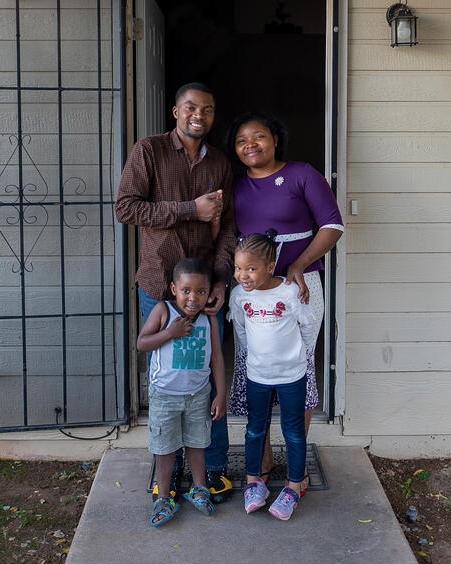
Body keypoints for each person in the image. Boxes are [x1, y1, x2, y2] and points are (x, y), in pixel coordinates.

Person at [114, 82, 237, 502]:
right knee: (166, 377)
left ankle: (214, 468)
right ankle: (166, 464)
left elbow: (230, 228)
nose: (198, 115)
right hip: (158, 283)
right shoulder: (149, 150)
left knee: (206, 371)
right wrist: (190, 209)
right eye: (190, 108)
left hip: (203, 291)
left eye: (207, 109)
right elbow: (125, 207)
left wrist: (221, 279)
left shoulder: (219, 162)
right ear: (175, 111)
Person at [225, 113, 344, 476]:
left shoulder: (301, 174)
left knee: (298, 365)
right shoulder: (234, 186)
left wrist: (300, 264)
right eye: (242, 140)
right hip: (251, 291)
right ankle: (260, 459)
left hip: (301, 286)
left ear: (275, 139)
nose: (250, 144)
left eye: (258, 136)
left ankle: (295, 458)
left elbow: (332, 225)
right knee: (253, 363)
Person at [230, 233, 319, 521]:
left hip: (292, 375)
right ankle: (254, 482)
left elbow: (307, 325)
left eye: (251, 269)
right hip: (258, 375)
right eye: (238, 268)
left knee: (293, 431)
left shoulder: (289, 292)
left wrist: (297, 357)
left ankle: (294, 487)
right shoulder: (239, 296)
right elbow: (242, 332)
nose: (243, 275)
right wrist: (257, 358)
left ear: (271, 266)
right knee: (256, 429)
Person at [136, 257, 227, 526]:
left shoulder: (208, 319)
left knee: (197, 443)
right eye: (186, 290)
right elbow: (142, 343)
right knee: (165, 449)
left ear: (209, 293)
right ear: (174, 289)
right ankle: (163, 496)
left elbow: (217, 358)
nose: (193, 298)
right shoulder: (164, 311)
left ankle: (199, 488)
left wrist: (220, 394)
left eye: (201, 292)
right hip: (165, 395)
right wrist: (169, 333)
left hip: (198, 394)